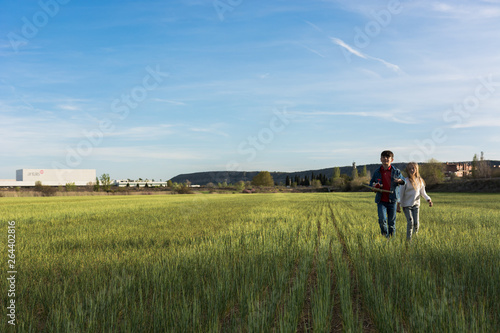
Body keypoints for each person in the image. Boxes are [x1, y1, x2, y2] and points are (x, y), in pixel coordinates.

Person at [370, 150, 405, 238]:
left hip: (392, 200)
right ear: (380, 159)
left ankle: (392, 240)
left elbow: (404, 181)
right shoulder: (377, 172)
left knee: (391, 223)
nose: (385, 159)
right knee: (382, 220)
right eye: (383, 157)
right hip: (381, 200)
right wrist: (374, 187)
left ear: (392, 160)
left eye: (387, 157)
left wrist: (400, 180)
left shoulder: (396, 171)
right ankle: (385, 237)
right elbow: (372, 183)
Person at [397, 162, 433, 240]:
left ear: (416, 169)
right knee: (410, 222)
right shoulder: (404, 181)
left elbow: (423, 193)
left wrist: (428, 199)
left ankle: (415, 238)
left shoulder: (420, 181)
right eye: (409, 169)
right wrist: (398, 205)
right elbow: (400, 194)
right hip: (406, 205)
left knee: (416, 223)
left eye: (413, 168)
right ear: (407, 170)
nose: (411, 170)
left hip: (416, 205)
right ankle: (408, 240)